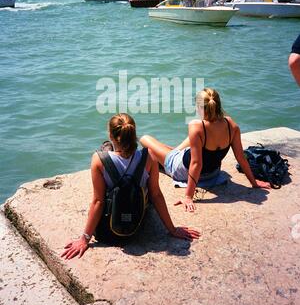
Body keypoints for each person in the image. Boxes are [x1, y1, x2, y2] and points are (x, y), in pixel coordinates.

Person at [61, 113, 200, 260]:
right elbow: (156, 195)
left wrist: (84, 239)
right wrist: (172, 229)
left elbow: (98, 202)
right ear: (133, 134)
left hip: (107, 231)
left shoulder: (98, 160)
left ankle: (108, 148)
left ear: (111, 135)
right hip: (137, 227)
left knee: (105, 149)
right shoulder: (149, 157)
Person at [140, 88, 271, 213]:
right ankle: (174, 152)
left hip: (182, 169)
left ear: (200, 108)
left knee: (145, 139)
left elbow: (196, 164)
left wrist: (188, 196)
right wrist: (254, 183)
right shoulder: (232, 125)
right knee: (187, 141)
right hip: (213, 174)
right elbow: (241, 157)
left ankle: (172, 154)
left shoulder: (196, 126)